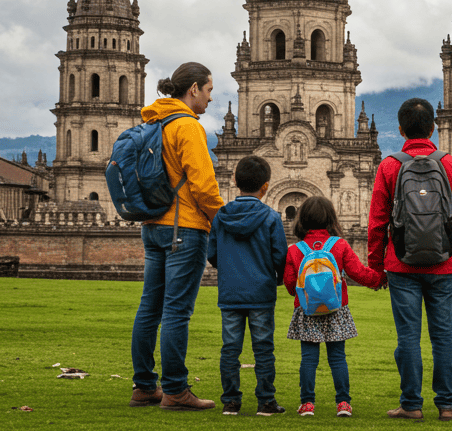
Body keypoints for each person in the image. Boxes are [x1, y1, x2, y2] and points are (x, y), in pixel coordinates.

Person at [367, 98, 452, 421]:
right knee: (443, 336)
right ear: (433, 128)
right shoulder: (451, 165)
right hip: (443, 264)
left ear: (400, 129)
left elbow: (378, 221)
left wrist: (377, 265)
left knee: (408, 337)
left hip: (401, 264)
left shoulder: (389, 165)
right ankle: (447, 405)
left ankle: (411, 404)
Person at [129, 62, 225, 411]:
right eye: (210, 90)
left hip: (152, 226)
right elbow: (203, 184)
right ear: (195, 89)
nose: (211, 98)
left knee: (149, 308)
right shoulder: (187, 127)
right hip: (183, 229)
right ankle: (174, 390)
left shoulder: (154, 120)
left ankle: (144, 386)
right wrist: (221, 219)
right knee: (176, 312)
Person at [282, 196, 385, 418]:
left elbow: (291, 286)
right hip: (336, 310)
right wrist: (380, 279)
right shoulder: (339, 245)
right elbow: (358, 272)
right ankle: (343, 404)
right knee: (337, 357)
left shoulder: (294, 250)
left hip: (307, 310)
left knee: (308, 359)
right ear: (331, 218)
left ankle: (307, 404)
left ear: (302, 219)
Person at [208, 155, 287, 416]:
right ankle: (266, 401)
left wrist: (230, 270)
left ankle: (231, 401)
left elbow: (212, 253)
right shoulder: (271, 217)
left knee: (230, 348)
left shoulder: (221, 216)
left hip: (230, 292)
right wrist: (274, 278)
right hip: (261, 293)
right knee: (263, 348)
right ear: (265, 186)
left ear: (234, 181)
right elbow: (280, 256)